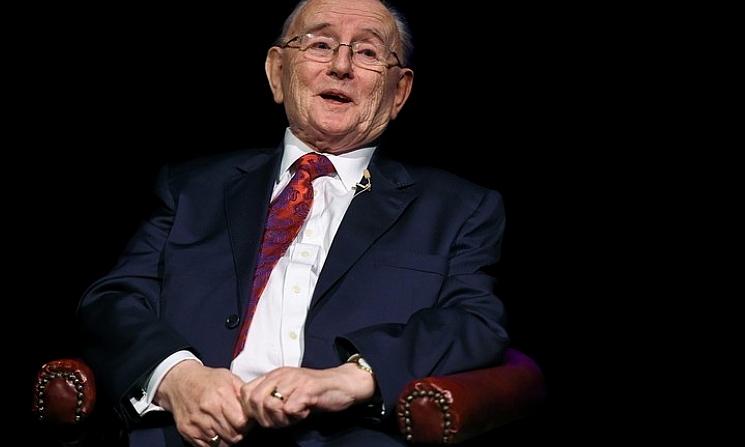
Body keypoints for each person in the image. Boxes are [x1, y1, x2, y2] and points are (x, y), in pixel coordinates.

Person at [75, 0, 510, 446]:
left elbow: (475, 321)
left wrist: (349, 378)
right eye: (320, 44)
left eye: (367, 53)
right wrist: (178, 378)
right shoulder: (192, 188)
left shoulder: (458, 209)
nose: (341, 66)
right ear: (277, 70)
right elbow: (112, 301)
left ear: (399, 91)